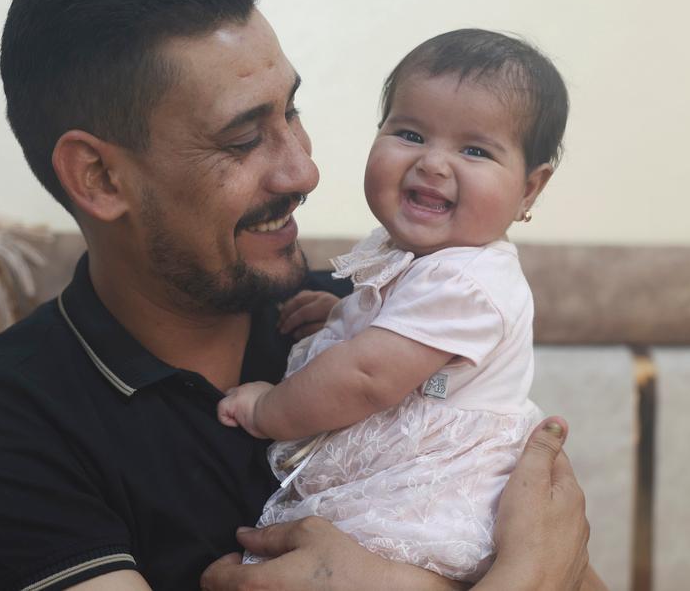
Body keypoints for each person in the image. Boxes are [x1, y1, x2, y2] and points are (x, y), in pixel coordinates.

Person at [0, 0, 597, 591]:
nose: (303, 172)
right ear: (99, 177)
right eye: (243, 139)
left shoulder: (362, 315)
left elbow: (572, 564)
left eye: (291, 112)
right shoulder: (0, 430)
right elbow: (542, 562)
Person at [218, 29, 563, 582]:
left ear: (529, 190)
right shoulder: (415, 259)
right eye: (409, 133)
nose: (434, 163)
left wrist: (268, 410)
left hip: (423, 498)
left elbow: (366, 376)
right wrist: (339, 317)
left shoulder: (466, 282)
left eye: (475, 150)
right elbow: (385, 333)